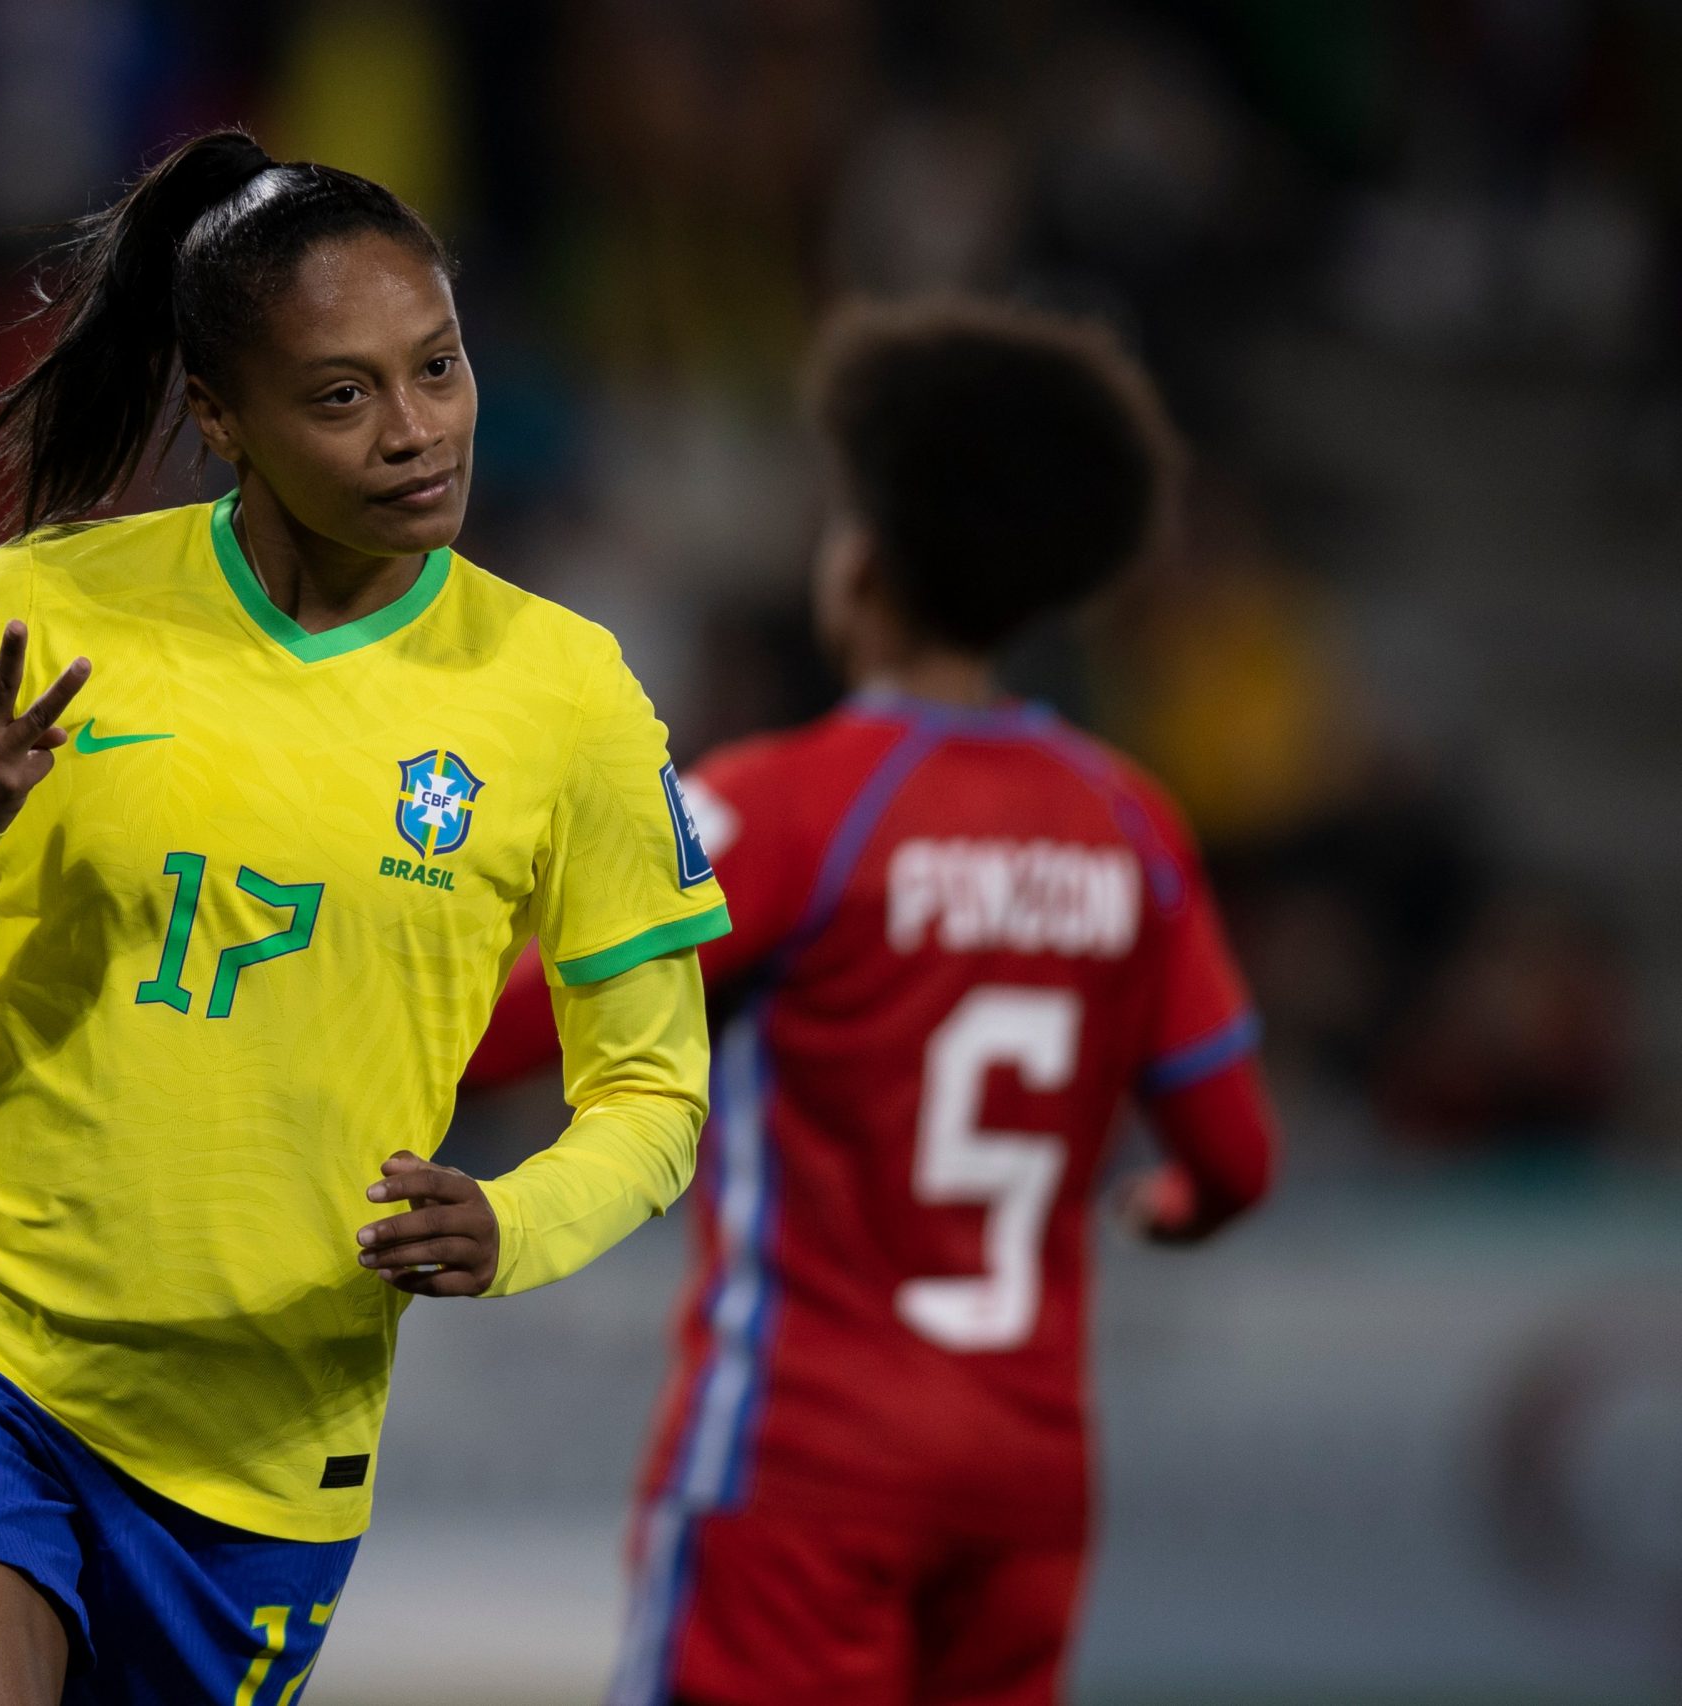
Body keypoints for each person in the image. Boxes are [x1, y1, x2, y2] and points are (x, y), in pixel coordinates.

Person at [0, 129, 730, 1706]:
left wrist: (512, 1224)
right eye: (344, 394)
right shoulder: (41, 613)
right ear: (217, 417)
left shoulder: (567, 696)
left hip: (261, 1451)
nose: (417, 431)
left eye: (439, 366)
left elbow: (654, 1095)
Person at [465, 299, 1280, 1706]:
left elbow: (510, 1033)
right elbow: (1235, 1156)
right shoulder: (1129, 826)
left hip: (803, 1466)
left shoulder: (793, 807)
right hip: (1026, 1484)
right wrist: (1170, 1210)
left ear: (867, 567)